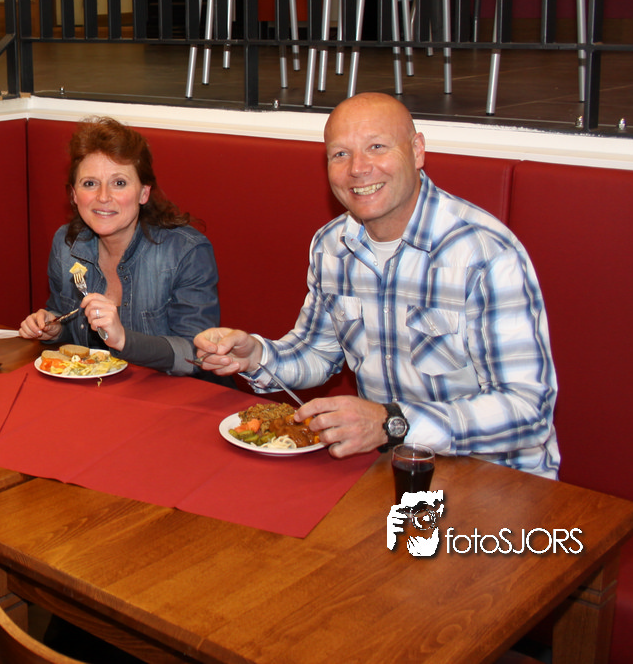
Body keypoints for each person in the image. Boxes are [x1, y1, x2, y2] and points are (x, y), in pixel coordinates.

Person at [193, 93, 560, 478]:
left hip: (496, 478)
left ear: (417, 151)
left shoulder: (483, 252)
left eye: (377, 147)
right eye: (340, 154)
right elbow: (316, 352)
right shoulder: (332, 245)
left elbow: (529, 410)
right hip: (391, 465)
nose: (358, 169)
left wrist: (391, 423)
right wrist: (255, 356)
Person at [19, 117, 222, 378]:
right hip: (101, 392)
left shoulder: (185, 252)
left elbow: (197, 355)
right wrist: (55, 328)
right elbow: (66, 318)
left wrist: (124, 339)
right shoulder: (66, 244)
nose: (103, 197)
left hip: (179, 395)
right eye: (90, 183)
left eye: (119, 183)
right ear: (74, 195)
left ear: (144, 193)